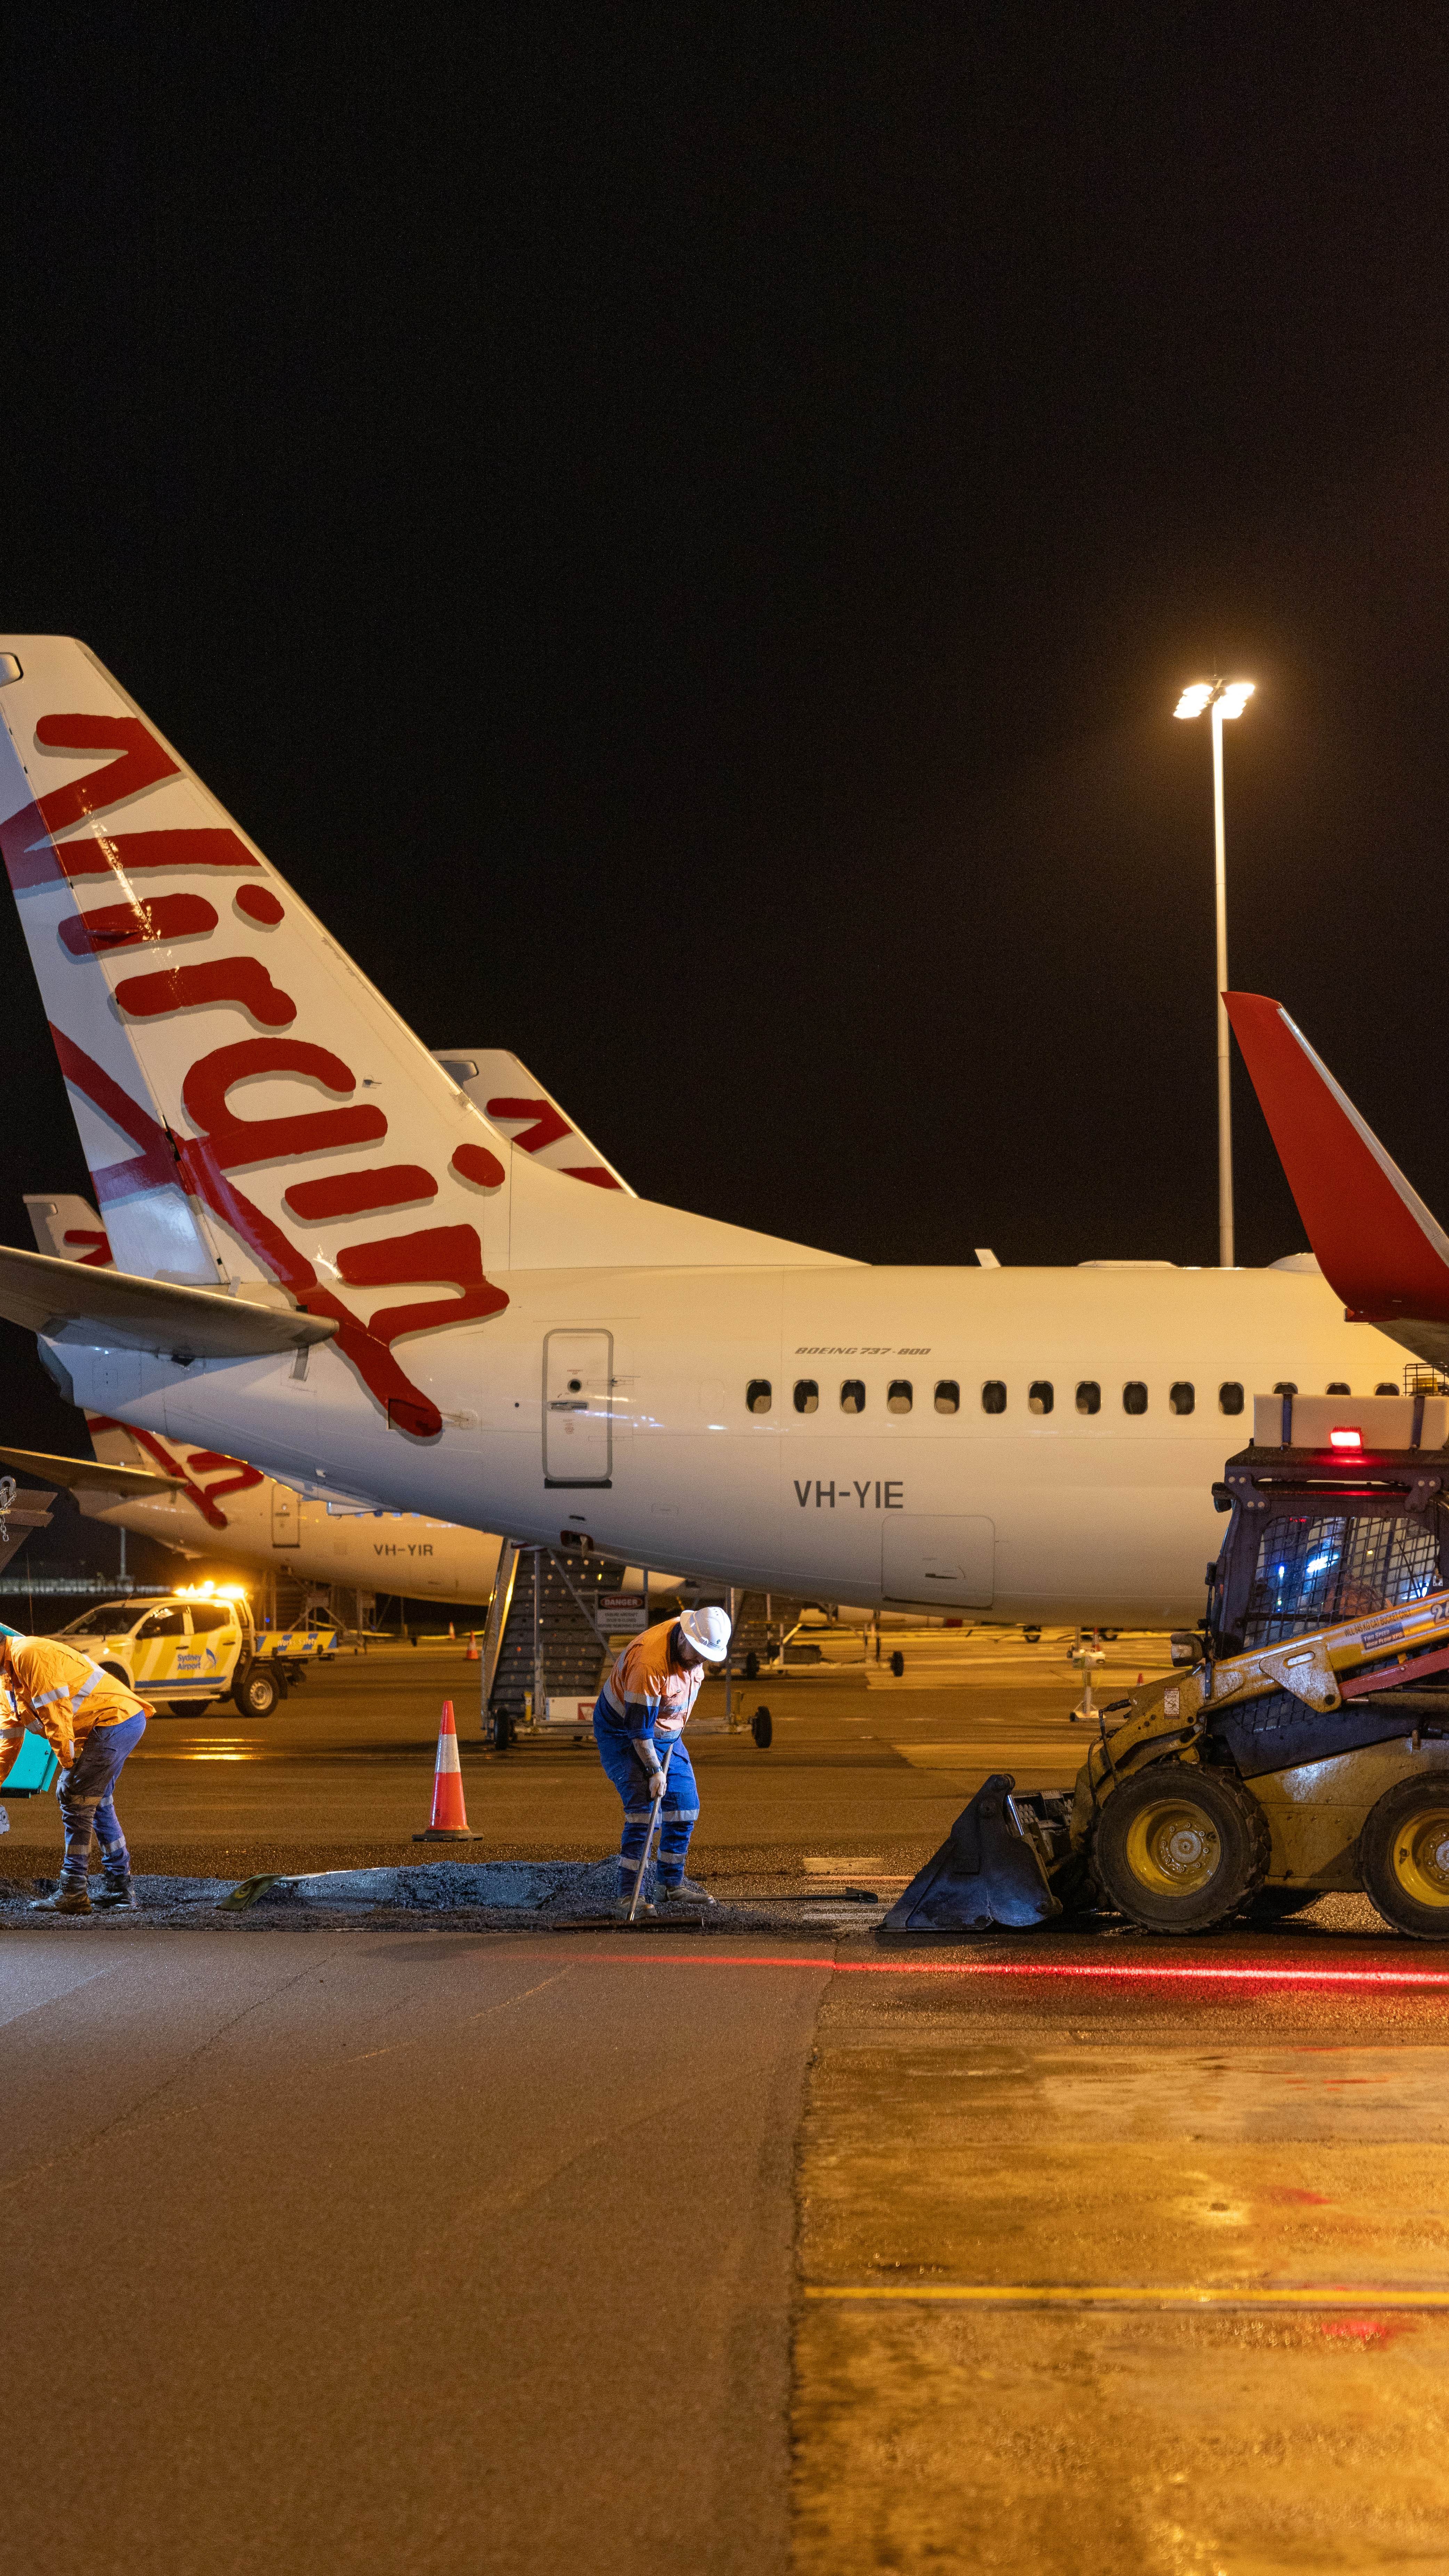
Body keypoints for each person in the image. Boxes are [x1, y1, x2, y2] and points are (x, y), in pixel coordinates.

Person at [0, 1623, 151, 1913]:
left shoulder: (29, 1654)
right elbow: (10, 1738)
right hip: (119, 1722)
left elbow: (57, 1715)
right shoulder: (7, 1680)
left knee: (74, 1795)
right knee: (99, 1802)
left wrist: (69, 1767)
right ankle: (121, 1889)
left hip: (116, 1720)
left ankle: (73, 1892)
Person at [593, 1605, 731, 1915]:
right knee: (646, 1814)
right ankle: (629, 1898)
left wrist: (667, 1747)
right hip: (624, 1732)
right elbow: (638, 1729)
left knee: (685, 1808)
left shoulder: (694, 1644)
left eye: (705, 1656)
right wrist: (655, 1770)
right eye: (696, 1653)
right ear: (684, 1635)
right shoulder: (650, 1663)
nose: (700, 1661)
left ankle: (670, 1886)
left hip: (666, 1733)